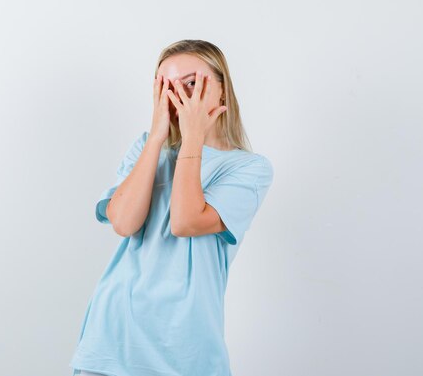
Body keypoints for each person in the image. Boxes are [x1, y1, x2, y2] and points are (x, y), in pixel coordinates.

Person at [69, 39, 274, 376]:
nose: (179, 96)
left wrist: (193, 139)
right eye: (166, 86)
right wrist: (156, 138)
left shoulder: (249, 169)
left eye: (191, 84)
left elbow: (185, 221)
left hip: (185, 346)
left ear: (222, 90)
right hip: (113, 337)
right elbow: (123, 221)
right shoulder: (147, 150)